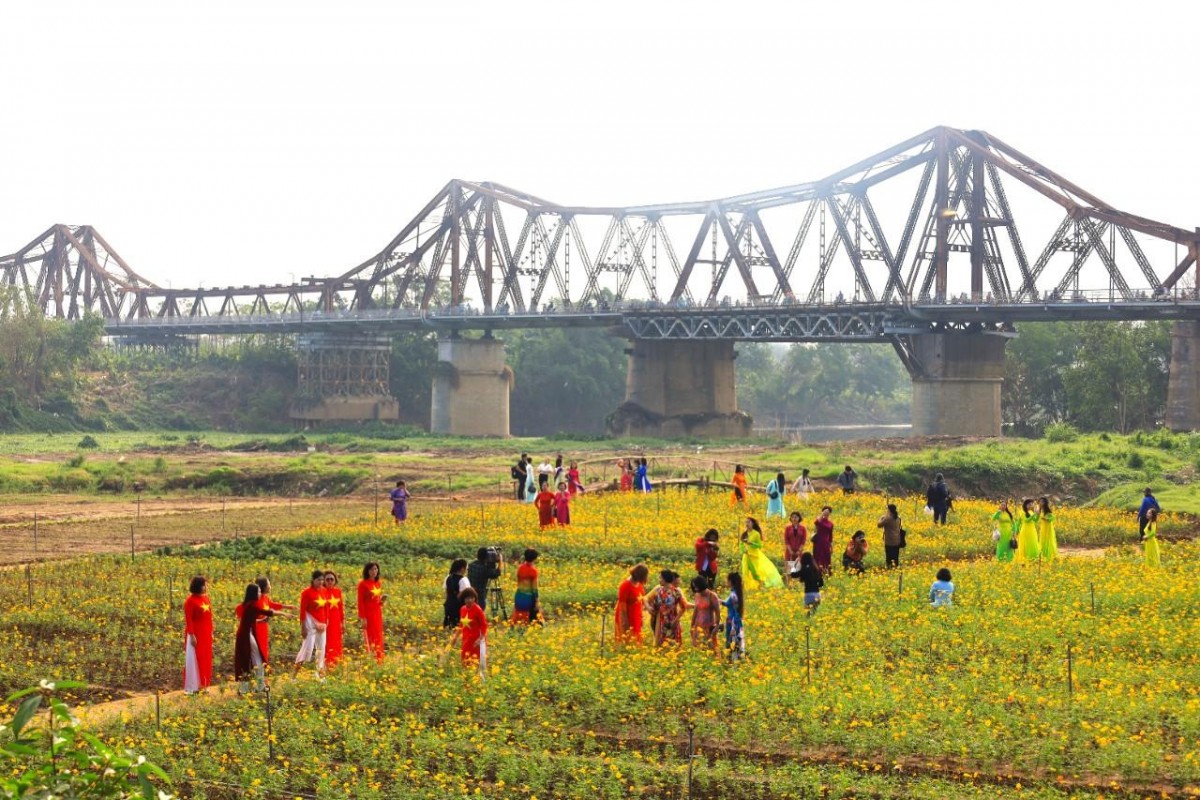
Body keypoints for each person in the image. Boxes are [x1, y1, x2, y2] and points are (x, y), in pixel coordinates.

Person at [234, 583, 281, 694]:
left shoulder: (249, 604)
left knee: (249, 659)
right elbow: (269, 612)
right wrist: (285, 614)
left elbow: (251, 620)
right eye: (259, 591)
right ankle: (256, 686)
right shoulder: (253, 605)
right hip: (246, 636)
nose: (260, 594)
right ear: (254, 593)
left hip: (245, 635)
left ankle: (249, 687)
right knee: (254, 659)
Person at [294, 570, 330, 679]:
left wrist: (326, 621)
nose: (320, 582)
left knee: (321, 650)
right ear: (313, 580)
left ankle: (320, 675)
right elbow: (302, 610)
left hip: (322, 625)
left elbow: (326, 608)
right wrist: (303, 627)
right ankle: (294, 676)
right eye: (318, 580)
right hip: (310, 625)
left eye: (322, 580)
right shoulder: (306, 592)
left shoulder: (324, 591)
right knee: (307, 649)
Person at [183, 576, 213, 694]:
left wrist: (211, 632)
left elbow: (209, 617)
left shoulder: (206, 599)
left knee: (206, 659)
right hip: (195, 634)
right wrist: (192, 635)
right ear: (199, 586)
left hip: (206, 634)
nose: (206, 587)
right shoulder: (189, 601)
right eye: (204, 585)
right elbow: (189, 620)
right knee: (195, 659)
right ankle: (193, 686)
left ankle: (204, 684)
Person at [646, 570, 690, 646]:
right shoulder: (659, 591)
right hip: (661, 622)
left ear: (665, 579)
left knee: (673, 645)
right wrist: (650, 609)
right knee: (661, 646)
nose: (659, 580)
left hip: (673, 621)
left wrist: (676, 620)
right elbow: (655, 606)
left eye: (660, 578)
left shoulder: (676, 592)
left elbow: (683, 607)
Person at [740, 517, 783, 590]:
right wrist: (743, 550)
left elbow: (759, 546)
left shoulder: (756, 534)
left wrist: (751, 543)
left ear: (753, 524)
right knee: (745, 572)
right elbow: (741, 545)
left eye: (749, 522)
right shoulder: (744, 534)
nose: (747, 524)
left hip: (754, 556)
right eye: (746, 522)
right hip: (746, 556)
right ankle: (747, 587)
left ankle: (762, 584)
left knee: (755, 573)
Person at [449, 587, 488, 668]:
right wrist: (455, 637)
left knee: (476, 662)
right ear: (463, 599)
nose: (470, 600)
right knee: (465, 658)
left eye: (472, 598)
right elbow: (461, 624)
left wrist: (480, 639)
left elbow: (484, 625)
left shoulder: (478, 610)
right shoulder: (462, 609)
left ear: (475, 598)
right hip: (466, 640)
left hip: (476, 641)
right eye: (467, 598)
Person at [358, 562, 386, 662]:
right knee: (370, 635)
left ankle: (379, 658)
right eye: (371, 569)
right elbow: (360, 602)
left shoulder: (378, 583)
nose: (373, 571)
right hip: (368, 613)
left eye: (375, 569)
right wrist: (363, 618)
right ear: (367, 571)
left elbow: (377, 600)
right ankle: (371, 658)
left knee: (378, 635)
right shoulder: (362, 584)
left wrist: (382, 601)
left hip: (377, 612)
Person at [615, 564, 650, 644]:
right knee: (626, 639)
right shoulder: (625, 585)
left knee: (636, 641)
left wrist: (641, 617)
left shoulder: (639, 584)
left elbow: (641, 598)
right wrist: (625, 623)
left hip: (636, 616)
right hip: (626, 616)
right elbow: (622, 607)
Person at [689, 575, 722, 653]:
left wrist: (716, 627)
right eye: (694, 587)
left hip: (709, 627)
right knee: (698, 649)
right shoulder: (697, 595)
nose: (695, 589)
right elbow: (695, 611)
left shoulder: (712, 596)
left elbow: (718, 613)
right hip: (698, 626)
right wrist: (692, 626)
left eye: (696, 586)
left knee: (710, 649)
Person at [512, 549, 540, 624]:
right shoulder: (533, 571)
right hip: (528, 598)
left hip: (519, 596)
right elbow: (535, 589)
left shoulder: (520, 568)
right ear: (534, 558)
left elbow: (518, 581)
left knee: (518, 619)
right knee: (530, 620)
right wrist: (537, 601)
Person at [323, 571, 345, 668]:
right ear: (324, 581)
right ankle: (327, 664)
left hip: (336, 621)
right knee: (327, 643)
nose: (330, 581)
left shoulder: (338, 592)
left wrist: (343, 622)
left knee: (337, 642)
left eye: (332, 579)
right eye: (327, 579)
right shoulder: (321, 592)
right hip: (326, 622)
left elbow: (341, 608)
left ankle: (337, 663)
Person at [722, 572, 745, 660]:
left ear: (731, 581)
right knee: (736, 639)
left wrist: (717, 599)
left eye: (727, 580)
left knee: (732, 640)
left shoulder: (733, 595)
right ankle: (736, 658)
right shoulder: (737, 592)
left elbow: (727, 603)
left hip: (732, 621)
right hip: (736, 620)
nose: (726, 582)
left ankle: (733, 660)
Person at [443, 559, 471, 629]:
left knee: (450, 627)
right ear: (462, 569)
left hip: (449, 606)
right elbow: (465, 595)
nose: (467, 570)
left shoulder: (448, 577)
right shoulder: (463, 580)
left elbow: (447, 593)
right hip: (459, 608)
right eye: (466, 568)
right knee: (459, 628)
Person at [783, 512, 807, 585]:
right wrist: (790, 550)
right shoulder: (787, 528)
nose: (794, 519)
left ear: (799, 518)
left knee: (798, 568)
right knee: (789, 570)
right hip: (789, 552)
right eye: (792, 517)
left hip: (798, 552)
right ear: (790, 518)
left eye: (796, 517)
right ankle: (789, 585)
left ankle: (796, 585)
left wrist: (799, 550)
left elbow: (803, 540)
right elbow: (786, 540)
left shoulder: (803, 528)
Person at [1015, 499, 1041, 564]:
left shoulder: (1031, 512)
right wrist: (1034, 514)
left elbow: (1035, 520)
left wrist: (1038, 515)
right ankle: (1025, 559)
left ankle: (1033, 558)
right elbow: (1026, 520)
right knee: (1026, 544)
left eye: (1031, 504)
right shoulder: (1022, 512)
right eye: (1029, 504)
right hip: (1025, 530)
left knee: (1033, 543)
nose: (1030, 506)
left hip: (1032, 530)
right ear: (1025, 505)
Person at [878, 503, 903, 569]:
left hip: (889, 541)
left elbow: (879, 525)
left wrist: (881, 517)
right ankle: (896, 567)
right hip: (897, 540)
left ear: (889, 510)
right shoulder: (898, 518)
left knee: (889, 556)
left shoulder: (887, 518)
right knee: (895, 556)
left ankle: (889, 568)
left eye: (887, 509)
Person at [811, 506, 834, 575]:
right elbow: (816, 522)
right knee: (818, 557)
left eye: (828, 512)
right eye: (825, 512)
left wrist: (831, 546)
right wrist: (822, 514)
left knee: (826, 557)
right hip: (818, 542)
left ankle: (826, 572)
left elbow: (830, 536)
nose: (826, 514)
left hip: (826, 543)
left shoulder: (831, 523)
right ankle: (817, 572)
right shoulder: (819, 520)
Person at [1038, 497, 1058, 562]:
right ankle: (1044, 554)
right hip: (1043, 527)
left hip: (1048, 527)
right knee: (1043, 539)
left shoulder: (1047, 510)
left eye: (1042, 502)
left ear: (1045, 503)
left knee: (1048, 539)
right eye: (1040, 501)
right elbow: (1037, 518)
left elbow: (1053, 518)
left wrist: (1046, 519)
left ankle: (1050, 555)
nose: (1041, 503)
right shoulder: (1040, 510)